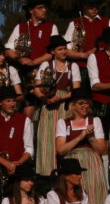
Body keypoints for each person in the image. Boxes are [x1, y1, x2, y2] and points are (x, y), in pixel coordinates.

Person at [55, 87, 108, 204]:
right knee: (74, 197)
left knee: (95, 198)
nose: (85, 106)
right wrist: (81, 136)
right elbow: (61, 149)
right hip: (72, 163)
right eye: (81, 103)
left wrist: (90, 137)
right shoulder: (63, 123)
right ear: (73, 105)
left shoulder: (95, 121)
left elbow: (101, 149)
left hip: (91, 163)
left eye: (87, 103)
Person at [33, 35, 80, 175]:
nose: (64, 51)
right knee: (47, 139)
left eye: (65, 48)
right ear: (53, 51)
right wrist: (44, 98)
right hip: (48, 106)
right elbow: (37, 87)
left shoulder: (73, 66)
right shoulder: (45, 65)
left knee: (65, 137)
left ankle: (66, 170)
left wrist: (61, 97)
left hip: (65, 107)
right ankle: (48, 174)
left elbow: (76, 90)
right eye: (60, 49)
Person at [5, 0, 59, 118]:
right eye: (40, 8)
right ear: (31, 10)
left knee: (49, 109)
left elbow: (53, 52)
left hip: (46, 73)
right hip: (25, 74)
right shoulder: (20, 27)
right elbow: (8, 50)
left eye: (45, 7)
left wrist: (34, 62)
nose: (44, 10)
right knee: (27, 110)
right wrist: (20, 59)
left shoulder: (51, 27)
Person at [0, 86, 34, 204]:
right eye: (8, 101)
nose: (12, 104)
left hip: (19, 170)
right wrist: (7, 164)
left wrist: (18, 163)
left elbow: (29, 148)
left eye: (13, 100)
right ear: (0, 102)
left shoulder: (25, 120)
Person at [63, 0, 110, 71]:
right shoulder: (74, 23)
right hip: (81, 67)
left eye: (96, 5)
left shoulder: (108, 22)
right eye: (91, 5)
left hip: (103, 66)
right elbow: (65, 50)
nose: (94, 8)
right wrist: (84, 55)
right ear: (84, 5)